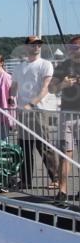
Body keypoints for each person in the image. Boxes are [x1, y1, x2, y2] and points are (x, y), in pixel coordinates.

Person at [16, 36, 59, 190]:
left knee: (44, 146)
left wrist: (32, 103)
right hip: (23, 111)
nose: (36, 47)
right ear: (26, 47)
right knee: (24, 147)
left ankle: (56, 178)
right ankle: (25, 180)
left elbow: (46, 87)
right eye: (33, 44)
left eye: (39, 44)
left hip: (39, 109)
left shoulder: (45, 64)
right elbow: (14, 86)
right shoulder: (20, 67)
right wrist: (10, 98)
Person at [51, 36, 80, 206]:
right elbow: (51, 88)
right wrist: (63, 84)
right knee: (65, 154)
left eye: (76, 47)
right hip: (66, 115)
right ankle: (62, 191)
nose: (72, 50)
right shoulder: (63, 66)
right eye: (70, 47)